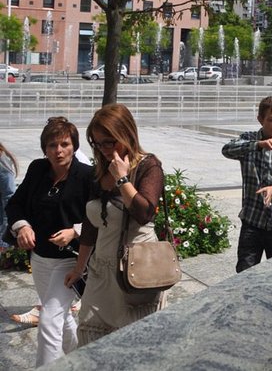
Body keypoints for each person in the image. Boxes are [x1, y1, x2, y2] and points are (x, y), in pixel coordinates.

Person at [64, 103, 166, 345]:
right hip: (102, 271)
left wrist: (122, 178)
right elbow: (90, 227)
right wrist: (80, 268)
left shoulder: (148, 166)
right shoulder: (100, 171)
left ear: (126, 134)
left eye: (109, 142)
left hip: (136, 271)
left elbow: (144, 213)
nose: (104, 149)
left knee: (134, 342)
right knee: (92, 338)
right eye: (98, 143)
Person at [5, 117, 91, 366]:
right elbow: (15, 204)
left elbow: (101, 215)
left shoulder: (86, 176)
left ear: (74, 146)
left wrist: (75, 231)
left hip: (71, 261)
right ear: (45, 148)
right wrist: (22, 226)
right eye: (52, 145)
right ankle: (81, 360)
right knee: (60, 318)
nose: (58, 150)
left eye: (64, 144)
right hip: (41, 258)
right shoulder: (37, 169)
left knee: (49, 319)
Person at [222, 96, 272, 273]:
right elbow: (226, 150)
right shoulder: (249, 140)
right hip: (252, 220)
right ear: (260, 119)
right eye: (271, 119)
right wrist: (259, 145)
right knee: (245, 271)